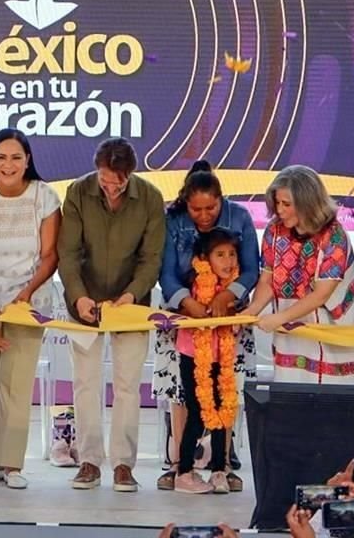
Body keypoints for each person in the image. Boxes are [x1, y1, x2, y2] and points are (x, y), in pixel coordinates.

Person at [58, 138, 164, 493]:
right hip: (84, 302)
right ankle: (88, 461)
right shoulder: (76, 192)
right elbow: (68, 254)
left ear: (130, 175)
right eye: (104, 177)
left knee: (127, 387)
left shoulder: (149, 198)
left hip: (131, 305)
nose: (110, 186)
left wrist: (132, 295)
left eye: (118, 180)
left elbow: (151, 258)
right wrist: (79, 297)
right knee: (86, 383)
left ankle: (123, 465)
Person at [0, 129, 61, 490]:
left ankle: (12, 464)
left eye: (16, 157)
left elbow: (50, 255)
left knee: (16, 385)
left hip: (29, 304)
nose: (9, 164)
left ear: (28, 160)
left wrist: (26, 294)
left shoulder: (45, 196)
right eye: (1, 157)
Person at [155, 160, 258, 490]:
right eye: (195, 209)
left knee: (227, 393)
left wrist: (226, 296)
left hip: (229, 321)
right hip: (186, 321)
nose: (202, 216)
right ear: (185, 202)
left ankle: (222, 466)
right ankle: (180, 466)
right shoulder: (173, 221)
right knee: (187, 396)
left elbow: (253, 270)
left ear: (221, 199)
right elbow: (167, 273)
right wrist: (191, 305)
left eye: (210, 208)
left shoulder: (240, 217)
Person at [243, 165, 354, 383]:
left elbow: (321, 295)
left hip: (333, 335)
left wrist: (279, 318)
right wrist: (251, 311)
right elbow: (267, 279)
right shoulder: (273, 230)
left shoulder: (335, 235)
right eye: (277, 203)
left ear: (307, 203)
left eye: (286, 204)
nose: (279, 210)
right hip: (291, 335)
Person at [173, 229, 245, 494]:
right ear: (205, 259)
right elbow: (183, 313)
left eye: (232, 254)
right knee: (197, 413)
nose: (228, 261)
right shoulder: (196, 286)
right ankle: (183, 472)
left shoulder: (233, 290)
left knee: (223, 412)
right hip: (194, 357)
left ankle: (218, 471)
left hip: (221, 357)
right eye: (220, 255)